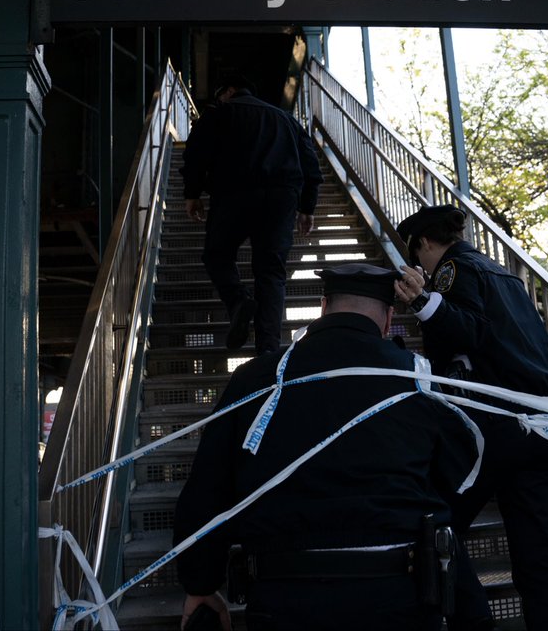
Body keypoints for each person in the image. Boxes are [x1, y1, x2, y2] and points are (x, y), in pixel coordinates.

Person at [173, 263, 479, 631]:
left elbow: (209, 485)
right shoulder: (414, 375)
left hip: (283, 595)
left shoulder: (254, 377)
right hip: (397, 590)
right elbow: (459, 475)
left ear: (323, 307)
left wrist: (201, 582)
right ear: (387, 320)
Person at [394, 205, 548, 631]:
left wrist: (422, 300)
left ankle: (473, 620)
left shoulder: (454, 270)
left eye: (419, 257)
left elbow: (470, 332)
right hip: (542, 424)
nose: (422, 267)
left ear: (426, 243)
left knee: (436, 522)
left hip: (498, 426)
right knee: (536, 548)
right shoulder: (502, 274)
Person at [181, 73, 323, 354]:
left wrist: (192, 193)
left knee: (217, 255)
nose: (217, 99)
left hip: (233, 192)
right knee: (271, 272)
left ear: (231, 90)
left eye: (220, 93)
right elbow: (310, 162)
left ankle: (238, 301)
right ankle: (268, 350)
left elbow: (196, 153)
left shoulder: (220, 112)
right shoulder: (286, 119)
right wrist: (307, 207)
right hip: (282, 198)